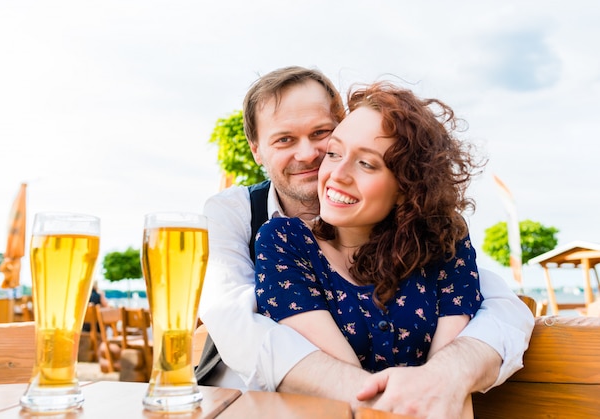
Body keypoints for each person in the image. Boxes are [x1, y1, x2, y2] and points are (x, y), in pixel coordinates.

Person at [197, 66, 534, 418]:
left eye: (321, 134)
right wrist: (388, 401)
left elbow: (496, 302)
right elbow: (233, 320)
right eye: (284, 139)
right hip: (236, 395)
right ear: (256, 151)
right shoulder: (246, 220)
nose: (309, 154)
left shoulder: (431, 232)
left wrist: (445, 376)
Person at [254, 81, 484, 417]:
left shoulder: (445, 239)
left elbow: (446, 387)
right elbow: (351, 389)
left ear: (408, 187)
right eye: (334, 153)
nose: (336, 174)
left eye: (367, 164)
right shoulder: (284, 242)